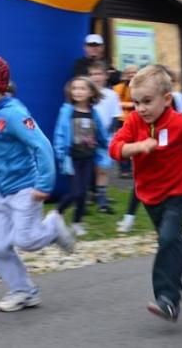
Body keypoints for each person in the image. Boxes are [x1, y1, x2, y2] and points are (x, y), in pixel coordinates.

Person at [0, 55, 75, 312]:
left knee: (26, 240)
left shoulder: (14, 114)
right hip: (0, 193)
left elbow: (42, 146)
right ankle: (23, 291)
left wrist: (44, 184)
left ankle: (53, 225)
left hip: (26, 188)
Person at [109, 65, 182, 322]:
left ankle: (168, 298)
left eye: (147, 101)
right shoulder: (134, 122)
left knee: (168, 238)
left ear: (166, 99)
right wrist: (137, 147)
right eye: (136, 102)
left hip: (179, 192)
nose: (141, 108)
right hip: (149, 195)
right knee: (174, 237)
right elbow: (115, 148)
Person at [53, 76, 109, 236]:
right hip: (72, 159)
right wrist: (60, 153)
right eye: (75, 88)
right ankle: (57, 213)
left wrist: (106, 146)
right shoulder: (67, 111)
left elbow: (101, 134)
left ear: (91, 92)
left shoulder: (93, 113)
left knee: (83, 193)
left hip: (88, 158)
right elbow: (59, 133)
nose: (77, 91)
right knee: (76, 192)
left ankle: (77, 222)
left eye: (82, 88)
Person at [88, 61, 122, 214]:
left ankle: (102, 197)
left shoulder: (112, 95)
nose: (96, 77)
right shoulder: (86, 93)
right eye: (93, 74)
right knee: (89, 168)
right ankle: (89, 195)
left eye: (99, 74)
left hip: (105, 137)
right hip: (88, 137)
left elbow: (115, 115)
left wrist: (108, 133)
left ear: (105, 76)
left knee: (103, 168)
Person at [113, 64, 138, 178]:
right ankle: (124, 169)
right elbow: (115, 103)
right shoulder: (117, 88)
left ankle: (136, 168)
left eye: (134, 72)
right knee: (123, 144)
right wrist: (131, 105)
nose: (131, 75)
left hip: (137, 119)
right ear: (125, 74)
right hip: (122, 120)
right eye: (129, 73)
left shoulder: (141, 87)